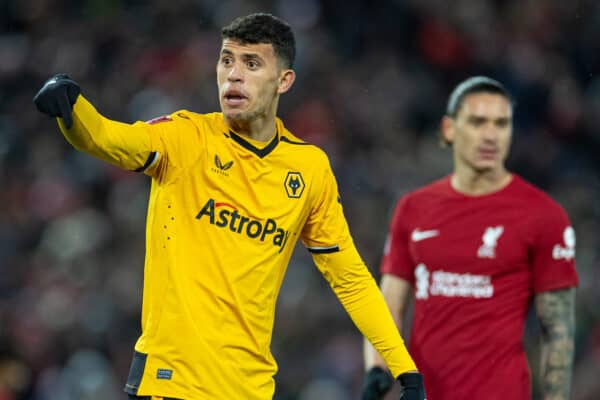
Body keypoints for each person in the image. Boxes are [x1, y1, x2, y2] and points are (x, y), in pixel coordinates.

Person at [33, 13, 425, 400]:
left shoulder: (309, 170)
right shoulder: (187, 138)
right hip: (171, 386)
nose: (233, 75)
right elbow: (107, 138)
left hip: (250, 390)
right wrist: (72, 109)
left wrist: (403, 368)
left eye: (251, 63)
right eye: (226, 61)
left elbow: (351, 280)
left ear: (284, 81)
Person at [362, 76, 578, 400]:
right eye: (478, 122)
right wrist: (378, 370)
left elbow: (558, 329)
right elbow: (390, 303)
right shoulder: (413, 209)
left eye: (501, 124)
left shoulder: (544, 215)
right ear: (449, 129)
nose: (491, 135)